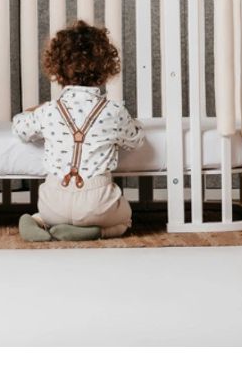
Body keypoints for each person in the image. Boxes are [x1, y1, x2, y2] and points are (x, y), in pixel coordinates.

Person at [12, 20, 144, 242]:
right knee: (125, 219)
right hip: (98, 202)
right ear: (105, 69)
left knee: (49, 214)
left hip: (53, 201)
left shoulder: (49, 111)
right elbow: (136, 139)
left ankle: (37, 221)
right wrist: (133, 122)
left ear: (56, 69)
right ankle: (97, 231)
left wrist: (32, 111)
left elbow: (20, 128)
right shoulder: (114, 111)